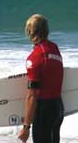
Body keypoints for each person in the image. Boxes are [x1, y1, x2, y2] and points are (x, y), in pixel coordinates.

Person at [19, 14, 64, 143]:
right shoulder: (54, 49)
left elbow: (32, 95)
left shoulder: (35, 58)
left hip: (44, 111)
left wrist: (26, 127)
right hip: (58, 108)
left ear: (30, 32)